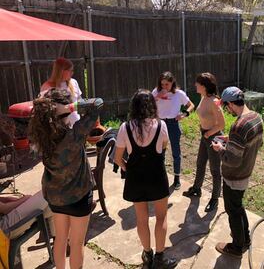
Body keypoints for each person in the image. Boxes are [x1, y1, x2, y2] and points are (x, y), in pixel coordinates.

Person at [28, 88, 103, 269]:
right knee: (76, 244)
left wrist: (55, 109)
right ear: (64, 112)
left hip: (55, 197)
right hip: (78, 198)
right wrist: (69, 106)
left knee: (60, 239)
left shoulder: (42, 137)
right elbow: (98, 103)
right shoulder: (74, 135)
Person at [114, 89, 177, 269]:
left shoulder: (125, 128)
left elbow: (118, 158)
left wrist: (127, 167)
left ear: (134, 106)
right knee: (161, 217)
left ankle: (147, 255)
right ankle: (160, 257)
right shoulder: (161, 125)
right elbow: (163, 148)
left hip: (136, 178)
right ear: (152, 105)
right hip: (157, 175)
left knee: (141, 219)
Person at [211, 86, 263, 259]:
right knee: (238, 206)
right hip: (247, 172)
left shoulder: (238, 126)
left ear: (232, 104)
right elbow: (256, 143)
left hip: (235, 176)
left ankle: (237, 247)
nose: (227, 110)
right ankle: (245, 239)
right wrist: (231, 140)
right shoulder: (256, 118)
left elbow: (232, 160)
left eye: (226, 107)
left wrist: (220, 148)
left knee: (232, 210)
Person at [183, 73, 225, 212]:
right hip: (205, 135)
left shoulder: (214, 101)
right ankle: (196, 189)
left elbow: (222, 124)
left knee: (214, 170)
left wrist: (208, 133)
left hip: (214, 137)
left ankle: (214, 199)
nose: (195, 85)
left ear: (204, 86)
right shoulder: (203, 97)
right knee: (200, 164)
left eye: (198, 83)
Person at [152, 71, 195, 190]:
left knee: (176, 151)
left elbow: (191, 105)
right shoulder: (156, 91)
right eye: (162, 84)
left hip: (173, 124)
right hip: (160, 123)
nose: (164, 87)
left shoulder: (179, 94)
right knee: (159, 151)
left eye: (167, 84)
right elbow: (147, 104)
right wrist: (157, 97)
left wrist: (184, 114)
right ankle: (161, 176)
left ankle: (177, 178)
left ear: (172, 83)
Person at [40, 57, 82, 128]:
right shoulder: (47, 87)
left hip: (78, 125)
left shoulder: (73, 82)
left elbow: (80, 100)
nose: (72, 73)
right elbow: (47, 111)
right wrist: (71, 107)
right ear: (62, 71)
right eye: (70, 70)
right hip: (60, 129)